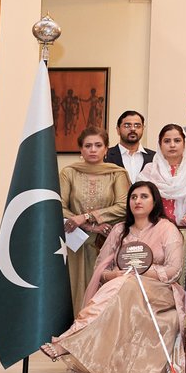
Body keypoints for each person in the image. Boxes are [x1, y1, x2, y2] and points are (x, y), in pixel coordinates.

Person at [41, 181, 186, 373]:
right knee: (120, 305)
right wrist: (119, 274)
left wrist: (141, 270)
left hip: (160, 292)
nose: (137, 201)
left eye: (143, 197)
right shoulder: (120, 230)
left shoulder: (166, 229)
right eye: (133, 197)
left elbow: (173, 271)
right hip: (123, 292)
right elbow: (102, 269)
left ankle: (70, 340)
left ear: (154, 201)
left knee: (126, 286)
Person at [60, 126, 130, 311]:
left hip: (107, 242)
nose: (93, 149)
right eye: (88, 145)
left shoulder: (117, 174)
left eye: (98, 145)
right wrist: (89, 227)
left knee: (105, 291)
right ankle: (75, 333)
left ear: (106, 149)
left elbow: (124, 206)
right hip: (74, 243)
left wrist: (87, 217)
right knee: (75, 289)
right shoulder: (69, 173)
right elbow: (58, 207)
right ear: (81, 149)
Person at [139, 123, 186, 298]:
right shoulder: (150, 171)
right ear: (159, 144)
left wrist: (182, 228)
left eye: (177, 140)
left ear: (184, 144)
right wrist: (164, 228)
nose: (172, 145)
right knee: (155, 287)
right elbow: (142, 202)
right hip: (155, 238)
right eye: (167, 141)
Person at [105, 110, 156, 182]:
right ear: (118, 129)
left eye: (137, 126)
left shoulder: (154, 157)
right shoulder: (106, 155)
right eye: (127, 125)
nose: (133, 129)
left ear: (143, 129)